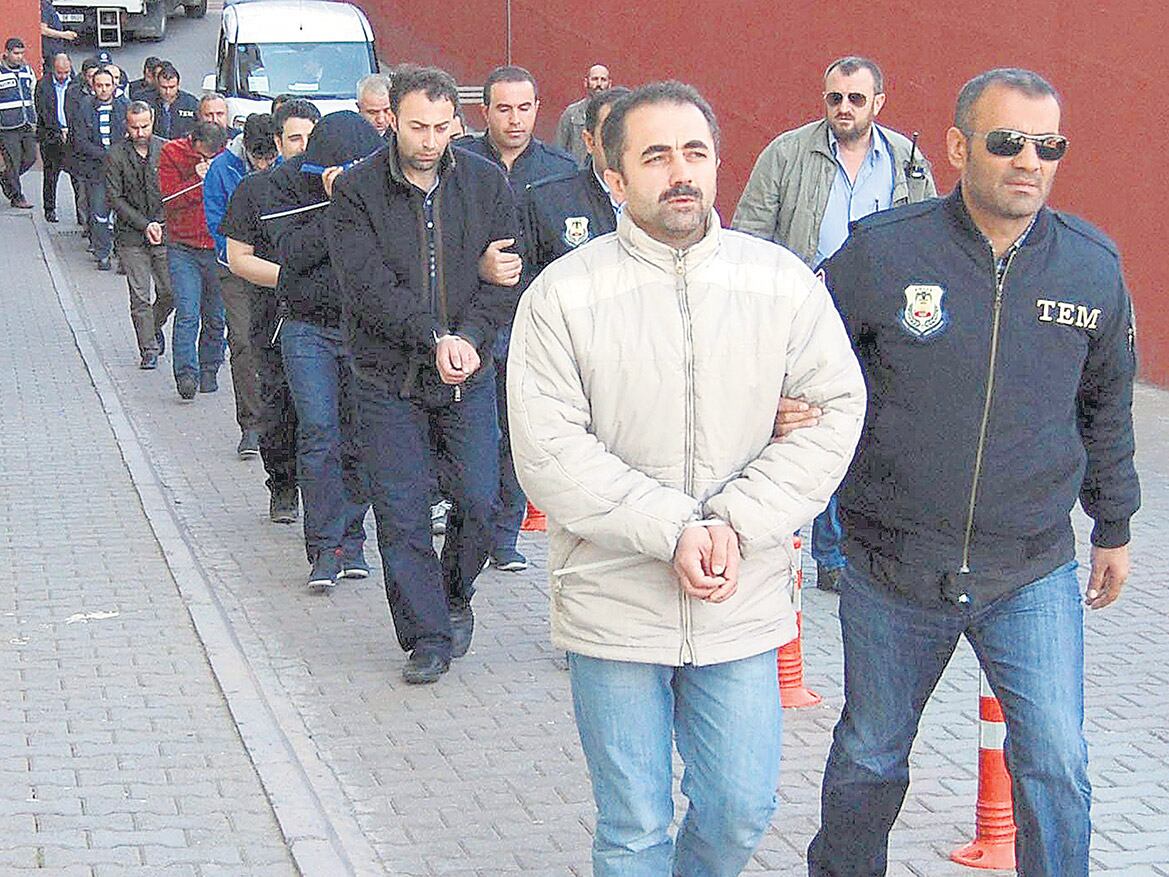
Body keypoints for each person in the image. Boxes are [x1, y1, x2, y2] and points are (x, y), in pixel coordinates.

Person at [506, 80, 866, 875]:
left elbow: (836, 410)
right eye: (655, 155)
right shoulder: (563, 297)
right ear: (612, 175)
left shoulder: (779, 284)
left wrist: (732, 523)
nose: (679, 172)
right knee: (633, 826)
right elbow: (550, 448)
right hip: (614, 598)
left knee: (741, 810)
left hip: (740, 598)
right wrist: (674, 527)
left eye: (694, 152)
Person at [805, 68, 1140, 877]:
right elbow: (813, 378)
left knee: (1056, 763)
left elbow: (1107, 407)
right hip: (892, 567)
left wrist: (1114, 525)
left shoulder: (1091, 268)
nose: (1028, 159)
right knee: (868, 758)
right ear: (958, 146)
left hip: (1029, 568)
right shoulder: (882, 254)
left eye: (1046, 144)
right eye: (1006, 141)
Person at [326, 65, 519, 685]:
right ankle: (426, 636)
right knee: (404, 512)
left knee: (479, 501)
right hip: (387, 376)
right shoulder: (357, 191)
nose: (431, 140)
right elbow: (367, 286)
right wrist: (432, 336)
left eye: (442, 127)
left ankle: (454, 592)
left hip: (467, 370)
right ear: (391, 121)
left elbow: (508, 275)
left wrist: (469, 336)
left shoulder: (486, 184)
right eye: (417, 126)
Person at [733, 55, 937, 593]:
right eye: (834, 98)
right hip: (807, 315)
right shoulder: (786, 153)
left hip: (885, 318)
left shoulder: (907, 159)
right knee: (820, 426)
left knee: (875, 424)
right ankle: (830, 554)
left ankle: (868, 539)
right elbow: (751, 236)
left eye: (856, 98)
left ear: (879, 102)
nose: (844, 108)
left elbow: (931, 235)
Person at [458, 64, 576, 572]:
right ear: (484, 111)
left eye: (524, 108)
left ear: (537, 109)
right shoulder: (458, 163)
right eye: (503, 108)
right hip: (472, 320)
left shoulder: (560, 169)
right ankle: (470, 521)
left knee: (516, 432)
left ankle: (503, 536)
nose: (515, 119)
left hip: (534, 325)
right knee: (471, 432)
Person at [259, 111, 378, 588]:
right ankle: (324, 546)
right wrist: (337, 206)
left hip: (364, 330)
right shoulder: (286, 184)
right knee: (318, 432)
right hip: (306, 328)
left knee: (359, 437)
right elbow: (291, 255)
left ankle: (353, 538)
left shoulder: (380, 184)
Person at [221, 98, 318, 525]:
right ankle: (282, 484)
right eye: (294, 137)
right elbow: (237, 257)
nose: (303, 146)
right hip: (274, 317)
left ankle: (326, 497)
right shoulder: (255, 191)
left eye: (311, 137)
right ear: (278, 142)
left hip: (327, 322)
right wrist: (289, 278)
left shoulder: (339, 191)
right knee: (279, 411)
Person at [204, 112, 276, 458]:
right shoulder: (222, 170)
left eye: (269, 158)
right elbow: (216, 221)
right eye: (257, 157)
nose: (263, 165)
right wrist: (240, 253)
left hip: (278, 267)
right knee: (244, 342)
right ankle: (251, 425)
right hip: (234, 269)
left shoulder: (283, 166)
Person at [522, 86, 628, 271]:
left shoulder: (668, 197)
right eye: (611, 133)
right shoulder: (547, 201)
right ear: (589, 141)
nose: (622, 143)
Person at [159, 120, 228, 400]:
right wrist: (195, 180)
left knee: (215, 315)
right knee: (187, 312)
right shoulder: (172, 153)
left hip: (214, 247)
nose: (208, 160)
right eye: (203, 155)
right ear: (193, 142)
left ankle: (209, 367)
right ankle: (186, 374)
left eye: (212, 156)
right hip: (183, 246)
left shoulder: (226, 158)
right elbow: (169, 199)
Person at [106, 100, 174, 369]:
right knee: (140, 296)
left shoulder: (166, 149)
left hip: (164, 232)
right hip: (131, 236)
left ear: (153, 120)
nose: (140, 132)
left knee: (170, 291)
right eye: (135, 127)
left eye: (145, 126)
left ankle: (153, 325)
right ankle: (148, 348)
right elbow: (114, 198)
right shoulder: (116, 155)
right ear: (127, 126)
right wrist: (144, 224)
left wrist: (161, 223)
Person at [74, 66, 128, 270]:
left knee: (123, 213)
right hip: (96, 170)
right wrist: (104, 155)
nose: (103, 89)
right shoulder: (85, 107)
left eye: (107, 85)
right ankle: (102, 253)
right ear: (92, 86)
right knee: (99, 212)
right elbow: (80, 140)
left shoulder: (124, 106)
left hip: (121, 170)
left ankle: (123, 256)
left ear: (115, 86)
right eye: (99, 85)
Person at [34, 51, 77, 224]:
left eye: (66, 72)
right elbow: (43, 112)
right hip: (51, 136)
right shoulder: (43, 85)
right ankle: (50, 210)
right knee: (51, 175)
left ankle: (81, 214)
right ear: (53, 70)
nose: (63, 76)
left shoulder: (76, 84)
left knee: (77, 177)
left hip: (73, 136)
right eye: (60, 72)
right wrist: (59, 130)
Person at [0, 38, 38, 210]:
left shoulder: (27, 70)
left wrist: (35, 119)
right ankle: (17, 196)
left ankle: (6, 177)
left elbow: (32, 93)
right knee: (13, 161)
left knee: (31, 157)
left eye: (22, 53)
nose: (19, 57)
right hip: (6, 125)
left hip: (26, 123)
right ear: (6, 52)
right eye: (16, 53)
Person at [553, 63, 611, 164]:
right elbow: (559, 149)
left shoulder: (615, 113)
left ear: (609, 84)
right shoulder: (572, 113)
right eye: (594, 79)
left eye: (603, 80)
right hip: (577, 174)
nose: (599, 84)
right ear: (586, 82)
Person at [151, 62, 199, 140]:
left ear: (178, 85)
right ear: (158, 84)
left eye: (172, 87)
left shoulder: (191, 103)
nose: (167, 92)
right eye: (164, 87)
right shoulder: (149, 102)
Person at [39, 0, 77, 72]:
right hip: (51, 53)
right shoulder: (44, 6)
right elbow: (42, 30)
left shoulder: (49, 6)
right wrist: (64, 35)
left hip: (55, 51)